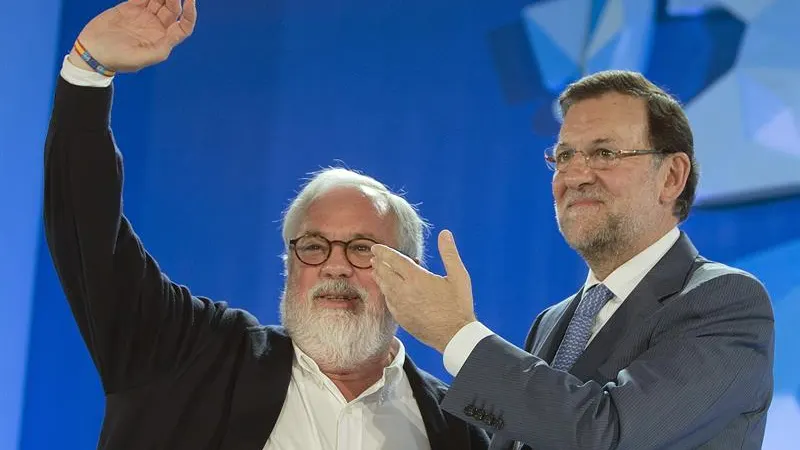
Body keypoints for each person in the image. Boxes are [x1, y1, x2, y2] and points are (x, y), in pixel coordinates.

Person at [43, 1, 490, 449]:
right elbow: (90, 236)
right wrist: (89, 71)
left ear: (407, 274)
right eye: (314, 246)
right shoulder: (189, 356)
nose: (336, 267)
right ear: (290, 264)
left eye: (362, 249)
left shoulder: (457, 430)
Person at [370, 70, 775, 449]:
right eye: (564, 156)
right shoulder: (552, 322)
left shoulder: (724, 303)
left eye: (603, 153)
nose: (576, 175)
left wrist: (455, 333)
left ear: (671, 176)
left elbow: (607, 434)